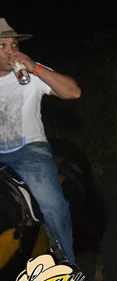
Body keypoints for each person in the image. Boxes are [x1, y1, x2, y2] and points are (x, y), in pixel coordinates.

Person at [0, 18, 81, 266]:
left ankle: (68, 263)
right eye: (2, 46)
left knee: (54, 206)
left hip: (29, 151)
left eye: (14, 45)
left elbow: (73, 92)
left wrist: (36, 68)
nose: (11, 51)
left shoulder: (29, 74)